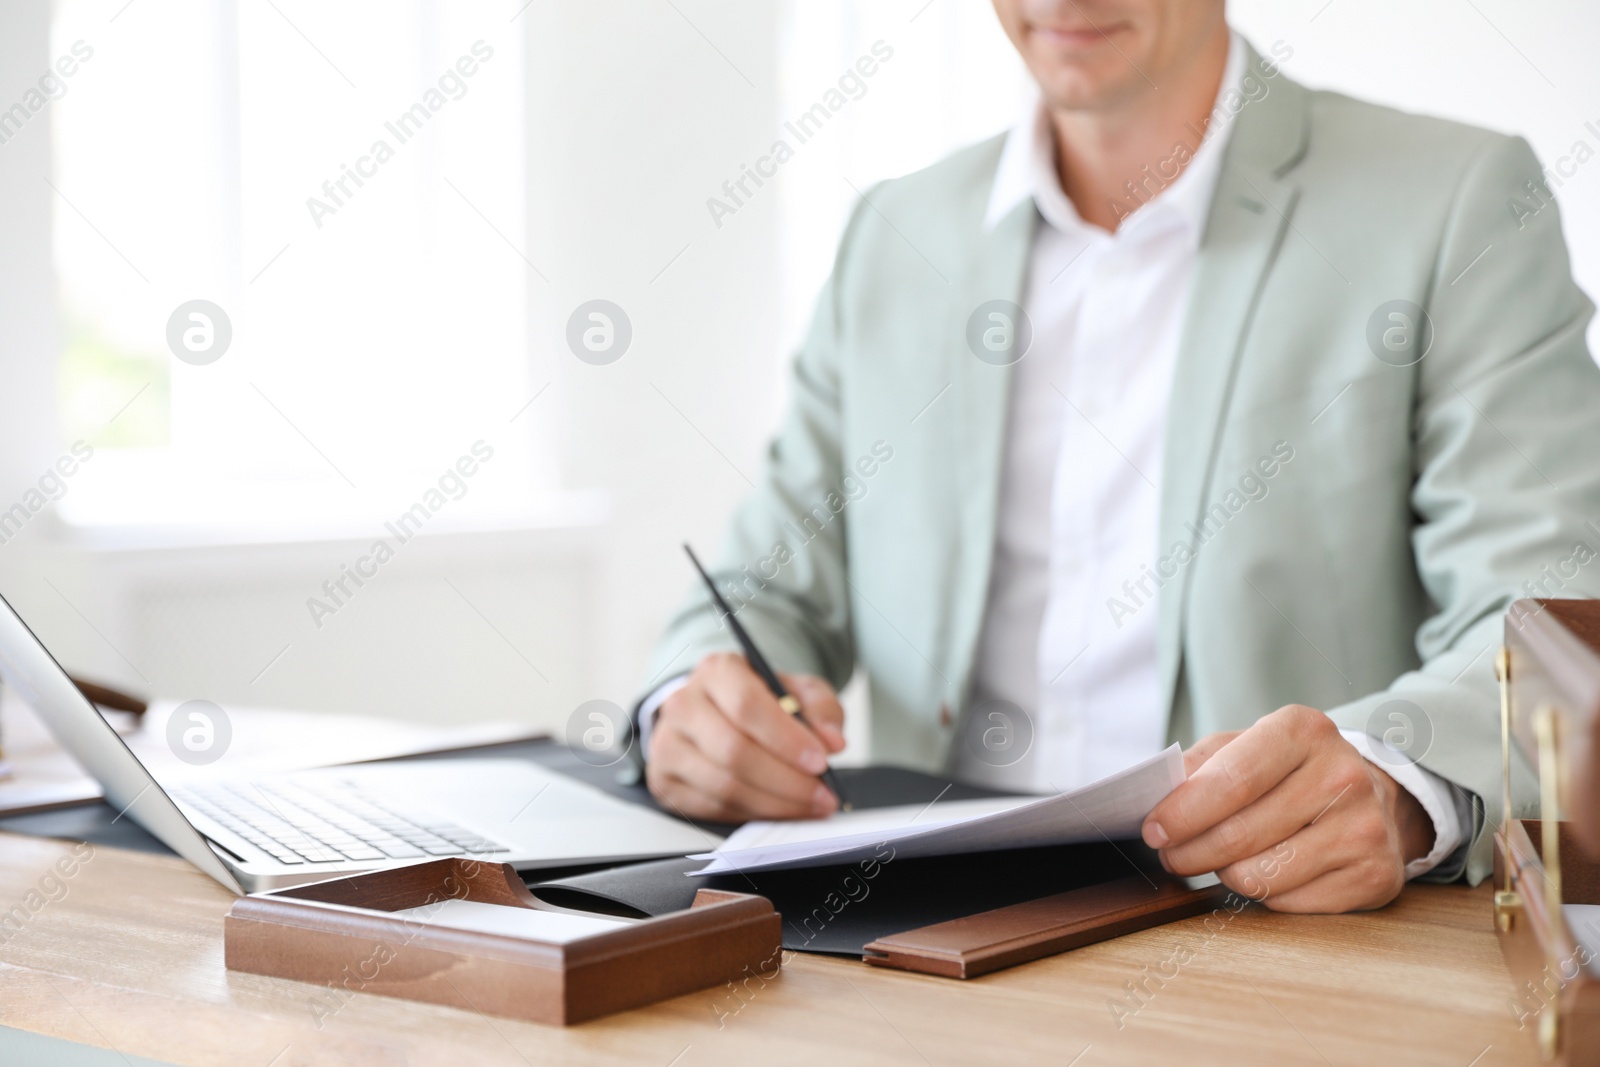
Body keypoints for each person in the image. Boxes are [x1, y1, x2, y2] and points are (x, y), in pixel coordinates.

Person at [634, 0, 1600, 913]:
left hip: (1265, 939)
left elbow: (1548, 608)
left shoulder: (1453, 202)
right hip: (912, 939)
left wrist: (1396, 774)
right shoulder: (894, 235)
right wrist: (695, 705)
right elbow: (762, 589)